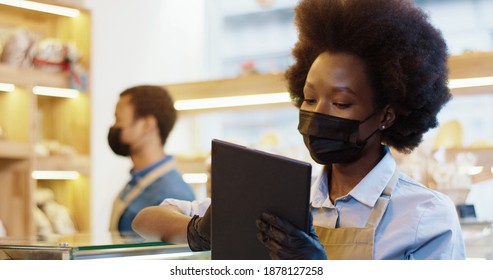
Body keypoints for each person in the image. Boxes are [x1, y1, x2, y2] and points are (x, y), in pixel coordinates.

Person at [132, 0, 466, 259]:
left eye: (341, 103)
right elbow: (145, 220)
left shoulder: (425, 216)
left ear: (387, 115)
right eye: (309, 99)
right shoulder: (285, 194)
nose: (317, 114)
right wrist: (198, 231)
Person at [108, 85, 196, 236]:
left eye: (119, 119)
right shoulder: (138, 181)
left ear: (146, 125)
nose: (115, 127)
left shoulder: (172, 194)